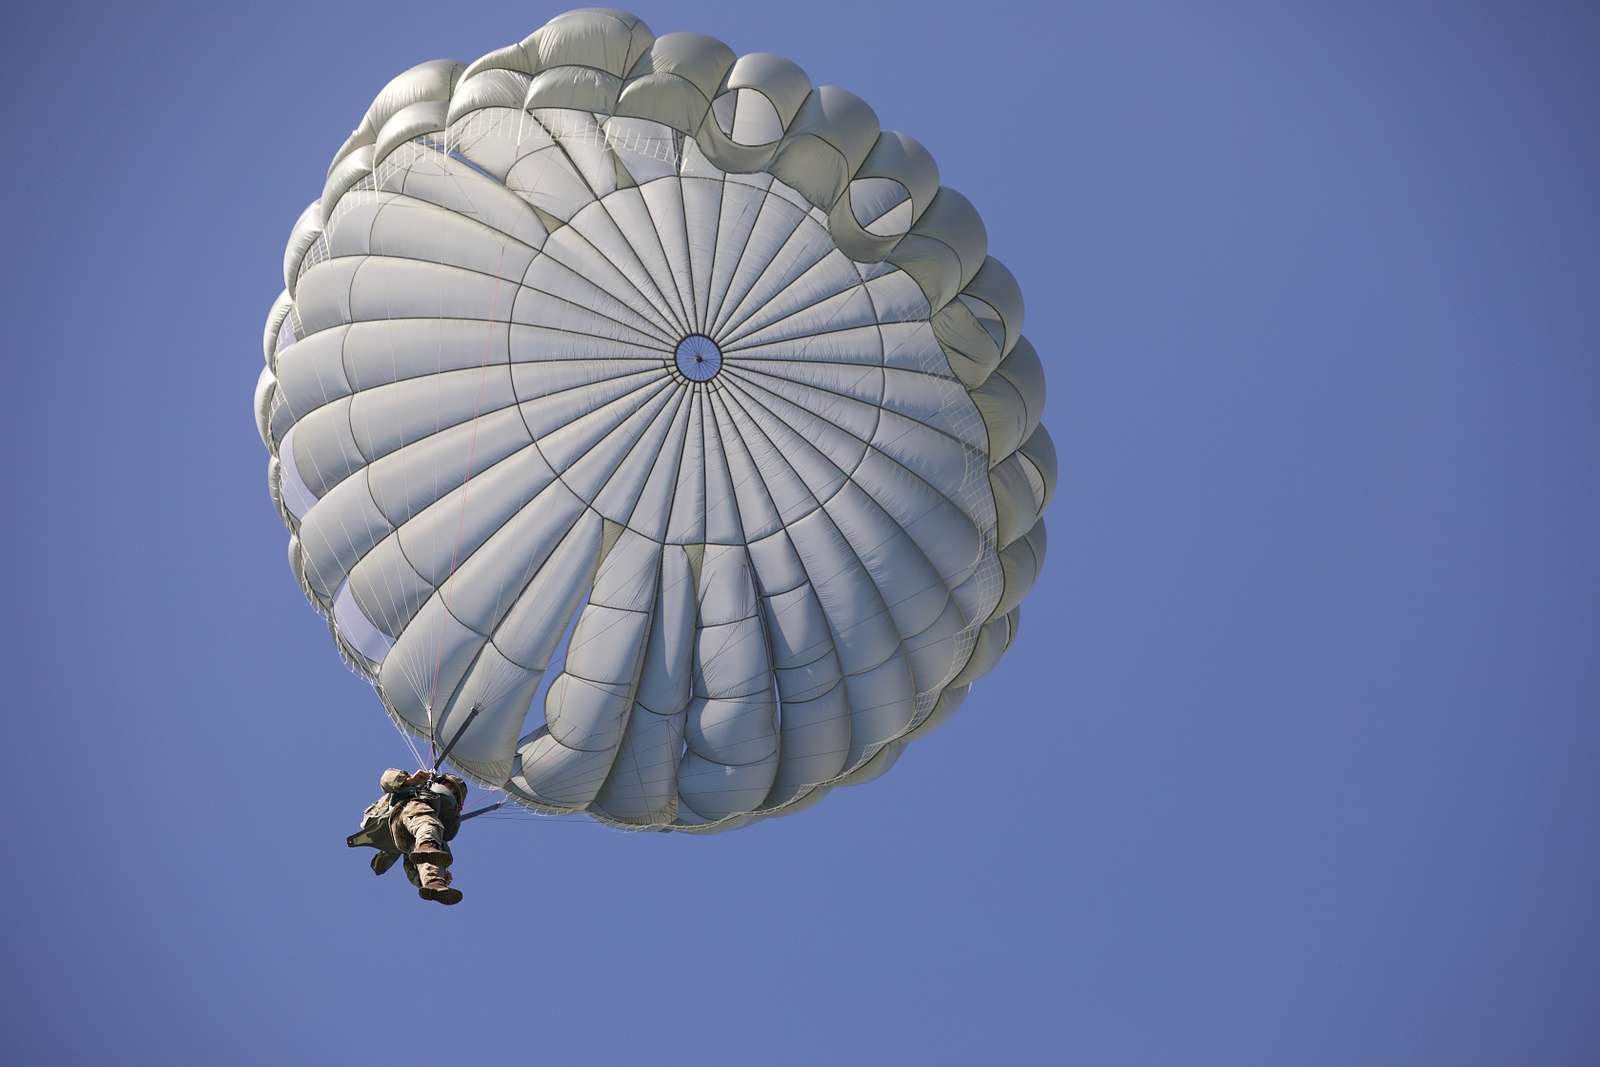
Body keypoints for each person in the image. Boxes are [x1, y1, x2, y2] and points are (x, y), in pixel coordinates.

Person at [347, 768, 469, 905]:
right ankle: (426, 845)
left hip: (407, 840)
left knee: (433, 849)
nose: (450, 790)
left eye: (454, 792)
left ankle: (434, 884)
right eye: (449, 786)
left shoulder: (442, 819)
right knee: (423, 817)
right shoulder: (416, 786)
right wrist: (409, 781)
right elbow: (386, 779)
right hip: (401, 814)